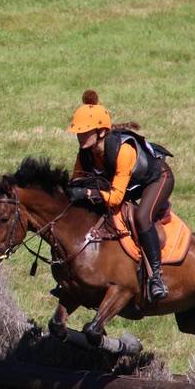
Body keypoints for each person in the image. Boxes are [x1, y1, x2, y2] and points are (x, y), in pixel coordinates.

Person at [67, 89, 174, 300]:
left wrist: (88, 192)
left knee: (143, 218)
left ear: (100, 132)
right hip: (129, 185)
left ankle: (156, 278)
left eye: (85, 131)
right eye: (79, 132)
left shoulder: (123, 151)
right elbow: (75, 183)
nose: (80, 136)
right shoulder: (85, 153)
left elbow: (115, 198)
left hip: (156, 180)